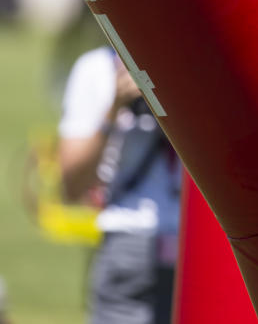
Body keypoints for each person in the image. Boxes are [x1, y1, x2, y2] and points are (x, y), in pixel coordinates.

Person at [58, 46, 182, 324]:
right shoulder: (97, 68)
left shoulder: (207, 61)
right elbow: (71, 187)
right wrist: (116, 107)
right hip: (129, 237)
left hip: (203, 243)